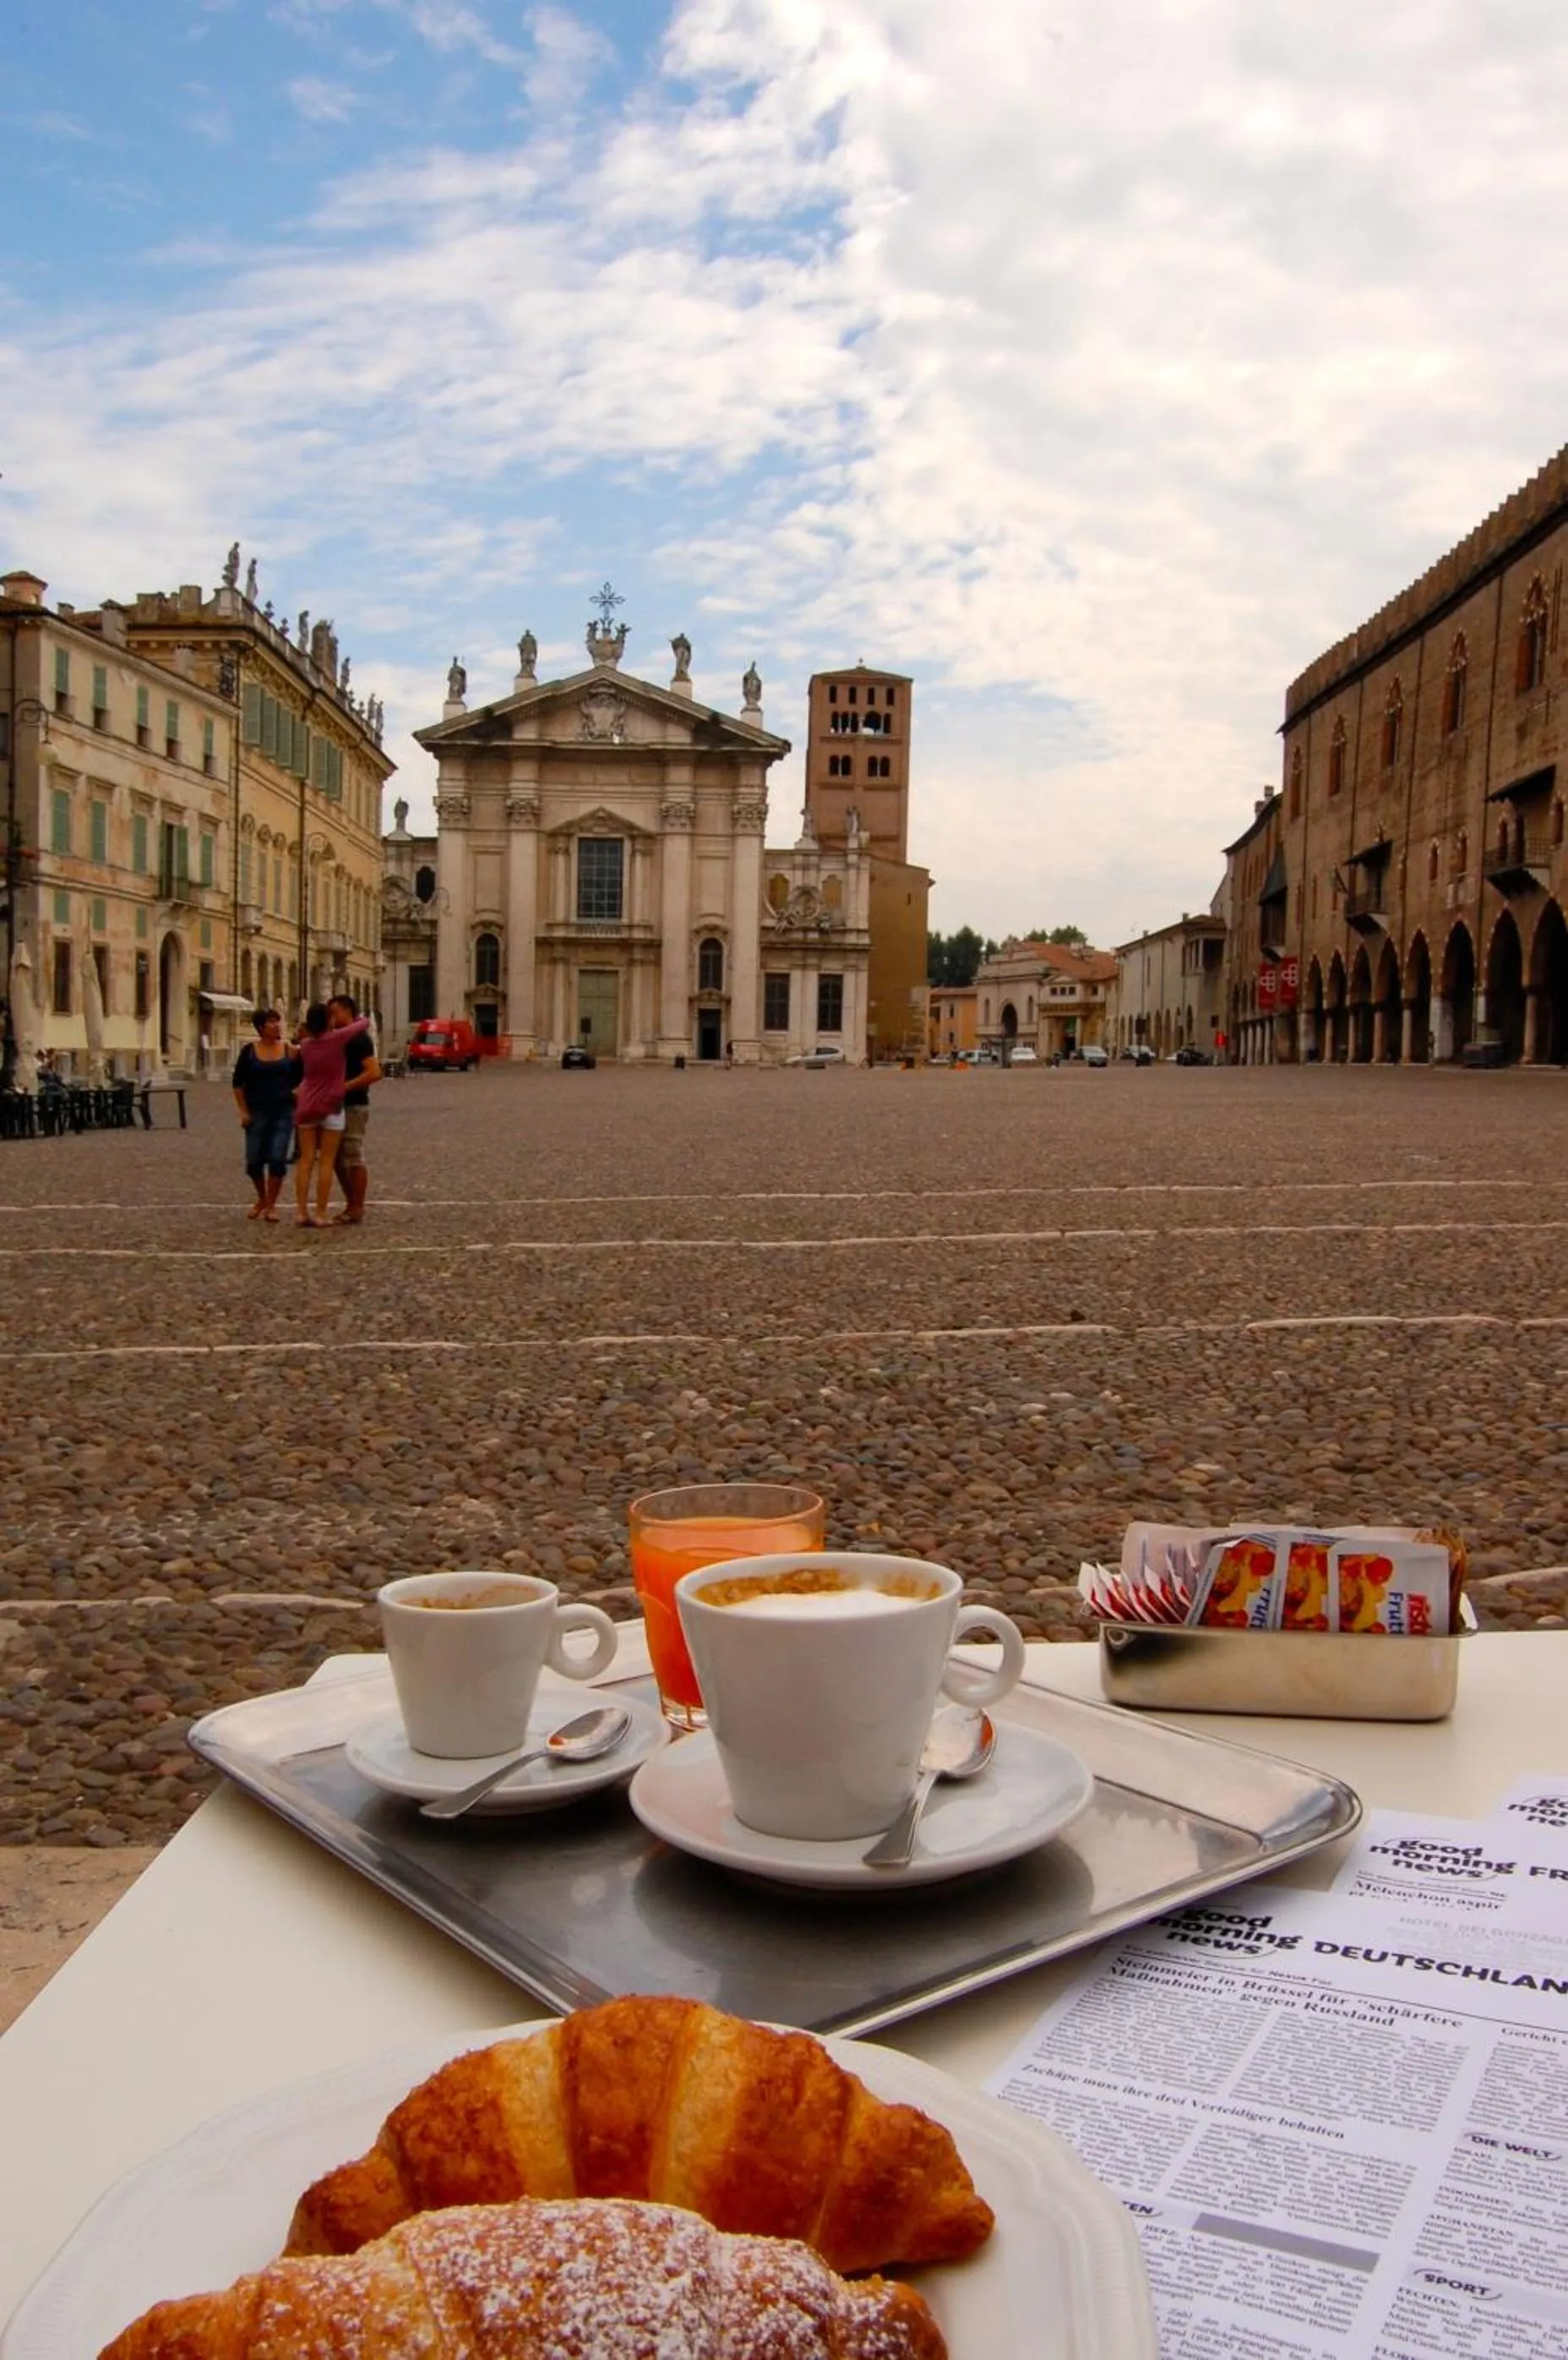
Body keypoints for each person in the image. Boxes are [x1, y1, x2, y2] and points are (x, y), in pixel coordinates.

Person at [292, 1002, 370, 1229]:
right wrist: (347, 1021)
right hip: (331, 1105)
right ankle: (321, 1212)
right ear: (328, 1020)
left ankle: (300, 1211)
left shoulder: (305, 1044)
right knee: (327, 1161)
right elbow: (363, 1023)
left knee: (305, 1160)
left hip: (306, 1104)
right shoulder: (337, 1039)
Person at [231, 1008, 298, 1222]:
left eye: (278, 1021)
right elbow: (237, 1083)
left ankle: (271, 1205)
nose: (277, 1025)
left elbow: (302, 1078)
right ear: (261, 1027)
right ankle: (262, 1198)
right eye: (272, 1022)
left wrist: (298, 1094)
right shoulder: (249, 1051)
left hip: (283, 1111)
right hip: (256, 1111)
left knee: (277, 1158)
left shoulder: (289, 1051)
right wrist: (243, 1110)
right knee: (254, 1161)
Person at [328, 992, 381, 1225]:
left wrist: (345, 1086)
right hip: (336, 1104)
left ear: (347, 1011)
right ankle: (351, 1203)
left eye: (334, 1011)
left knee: (353, 1154)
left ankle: (357, 1206)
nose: (331, 1016)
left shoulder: (360, 1039)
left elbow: (374, 1072)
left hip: (355, 1104)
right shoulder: (337, 1038)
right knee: (337, 1159)